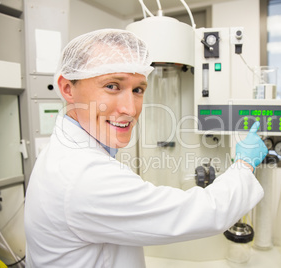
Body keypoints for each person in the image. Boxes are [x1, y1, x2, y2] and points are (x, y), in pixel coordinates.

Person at [24, 29, 268, 268]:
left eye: (138, 90)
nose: (130, 109)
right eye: (112, 86)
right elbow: (203, 213)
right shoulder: (83, 176)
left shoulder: (60, 149)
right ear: (67, 88)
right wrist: (244, 164)